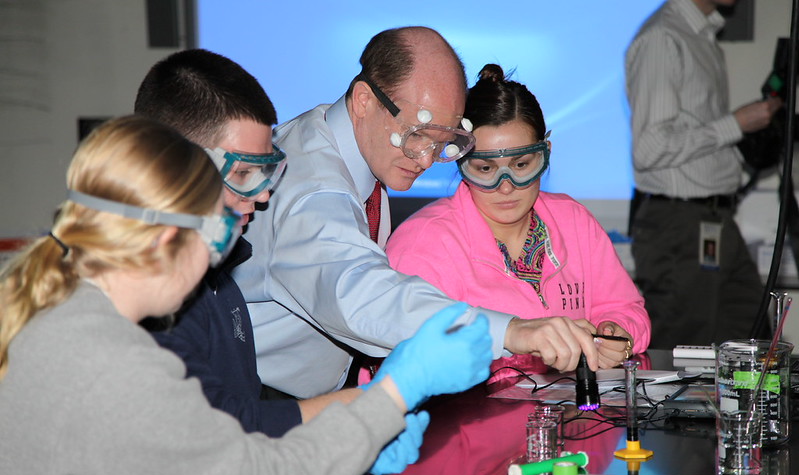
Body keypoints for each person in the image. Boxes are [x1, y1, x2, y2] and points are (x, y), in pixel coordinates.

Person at [0, 115, 494, 475]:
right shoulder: (105, 364)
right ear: (164, 238)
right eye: (219, 231)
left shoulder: (63, 315)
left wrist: (356, 445)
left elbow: (213, 452)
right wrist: (394, 393)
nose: (222, 253)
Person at [235, 26, 604, 400]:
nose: (427, 159)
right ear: (364, 101)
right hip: (258, 400)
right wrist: (510, 332)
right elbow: (363, 296)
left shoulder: (339, 140)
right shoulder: (312, 188)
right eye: (418, 135)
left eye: (444, 143)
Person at [135, 48, 361, 438]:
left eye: (265, 172)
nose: (261, 196)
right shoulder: (150, 296)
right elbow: (213, 428)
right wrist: (378, 403)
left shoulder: (220, 278)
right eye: (242, 173)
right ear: (172, 166)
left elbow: (245, 412)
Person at [385, 64, 650, 381]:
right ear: (460, 162)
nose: (505, 185)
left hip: (570, 420)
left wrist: (618, 335)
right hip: (466, 423)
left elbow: (627, 307)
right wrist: (516, 353)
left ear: (545, 154)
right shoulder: (423, 243)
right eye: (485, 169)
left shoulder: (574, 221)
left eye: (521, 164)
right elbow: (404, 362)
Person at [625, 0, 782, 348]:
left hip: (712, 219)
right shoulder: (664, 37)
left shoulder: (701, 33)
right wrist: (736, 124)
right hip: (681, 223)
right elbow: (649, 148)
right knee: (681, 353)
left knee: (751, 339)